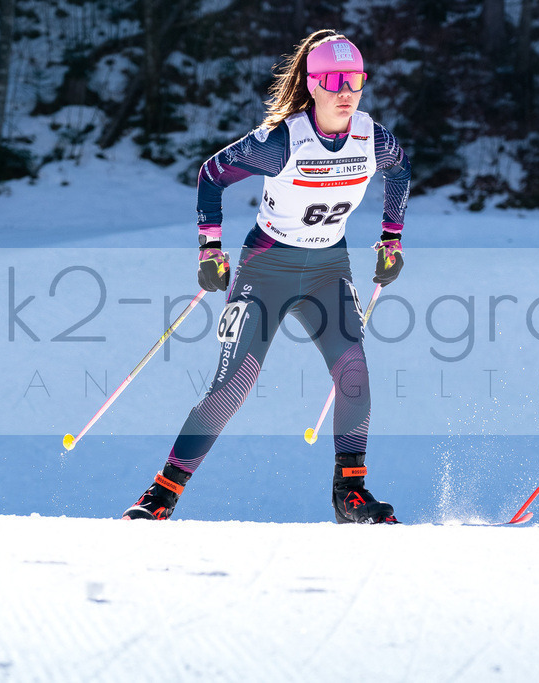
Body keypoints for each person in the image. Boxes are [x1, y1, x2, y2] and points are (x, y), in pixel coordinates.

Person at [123, 29, 411, 524]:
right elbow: (212, 174)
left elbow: (401, 170)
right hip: (268, 268)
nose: (346, 92)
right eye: (335, 80)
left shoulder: (372, 138)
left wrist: (391, 238)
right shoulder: (281, 142)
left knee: (354, 373)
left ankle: (351, 494)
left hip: (327, 269)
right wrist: (209, 247)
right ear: (312, 84)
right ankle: (161, 496)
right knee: (233, 384)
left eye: (356, 80)